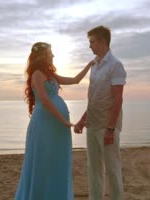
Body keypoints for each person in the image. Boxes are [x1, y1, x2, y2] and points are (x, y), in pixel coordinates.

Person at [14, 42, 94, 200]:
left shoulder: (51, 75)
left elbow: (76, 80)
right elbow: (44, 100)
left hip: (58, 127)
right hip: (45, 125)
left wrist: (89, 65)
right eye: (51, 53)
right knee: (44, 162)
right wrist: (63, 120)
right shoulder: (37, 74)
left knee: (58, 162)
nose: (53, 56)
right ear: (43, 56)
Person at [74, 26, 127, 200]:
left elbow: (118, 99)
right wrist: (82, 120)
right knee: (94, 169)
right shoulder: (94, 66)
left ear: (102, 41)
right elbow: (94, 99)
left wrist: (111, 129)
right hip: (92, 125)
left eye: (92, 42)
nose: (90, 46)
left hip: (107, 127)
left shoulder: (115, 65)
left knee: (112, 170)